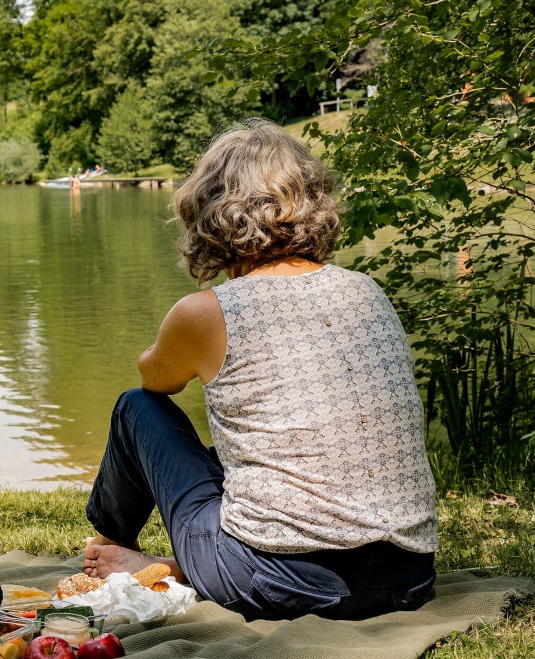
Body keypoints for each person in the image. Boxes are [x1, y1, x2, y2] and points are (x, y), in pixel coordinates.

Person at [81, 118, 439, 621]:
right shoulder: (367, 291)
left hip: (278, 582)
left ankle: (103, 561)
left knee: (136, 408)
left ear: (209, 212)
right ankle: (164, 564)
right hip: (407, 577)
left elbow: (153, 379)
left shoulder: (206, 312)